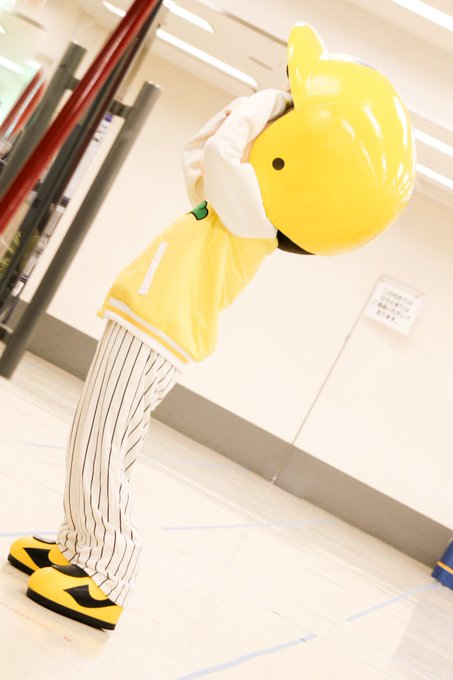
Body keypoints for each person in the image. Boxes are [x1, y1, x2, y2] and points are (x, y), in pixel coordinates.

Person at [7, 22, 415, 630]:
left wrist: (269, 104)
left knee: (101, 441)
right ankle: (77, 545)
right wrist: (258, 109)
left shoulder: (256, 218)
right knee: (99, 438)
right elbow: (200, 154)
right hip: (145, 322)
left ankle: (107, 571)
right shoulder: (228, 203)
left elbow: (223, 156)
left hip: (158, 331)